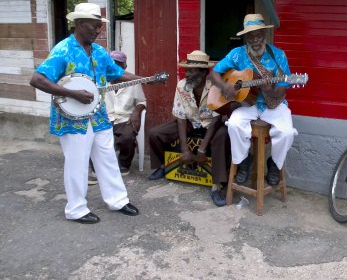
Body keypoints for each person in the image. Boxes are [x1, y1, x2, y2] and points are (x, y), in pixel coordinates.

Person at [29, 3, 142, 224]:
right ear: (80, 24)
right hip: (71, 117)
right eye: (95, 26)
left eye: (100, 26)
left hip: (98, 114)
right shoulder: (63, 50)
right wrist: (71, 92)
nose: (98, 30)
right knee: (77, 161)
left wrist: (145, 78)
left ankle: (117, 200)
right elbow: (37, 79)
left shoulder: (99, 51)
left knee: (107, 157)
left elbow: (115, 74)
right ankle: (76, 209)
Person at [210, 14, 298, 187]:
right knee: (234, 124)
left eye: (259, 35)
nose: (255, 40)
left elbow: (282, 86)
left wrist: (269, 89)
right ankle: (244, 161)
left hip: (272, 104)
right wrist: (224, 86)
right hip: (247, 104)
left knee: (287, 132)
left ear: (264, 35)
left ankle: (274, 164)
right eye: (251, 36)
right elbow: (214, 73)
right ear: (246, 37)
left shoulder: (278, 55)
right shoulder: (237, 54)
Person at [147, 50, 231, 207]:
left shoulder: (215, 86)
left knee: (222, 137)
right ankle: (163, 166)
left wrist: (201, 150)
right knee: (155, 134)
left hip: (212, 123)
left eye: (191, 70)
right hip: (191, 122)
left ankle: (217, 185)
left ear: (204, 72)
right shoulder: (182, 85)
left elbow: (215, 119)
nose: (187, 74)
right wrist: (185, 150)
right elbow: (180, 117)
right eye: (186, 70)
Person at [105, 50, 147, 175]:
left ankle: (124, 163)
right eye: (112, 64)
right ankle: (97, 167)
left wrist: (137, 112)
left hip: (124, 118)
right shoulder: (102, 80)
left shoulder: (132, 81)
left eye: (119, 64)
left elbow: (142, 101)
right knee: (94, 137)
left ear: (124, 66)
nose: (115, 67)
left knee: (127, 137)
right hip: (105, 118)